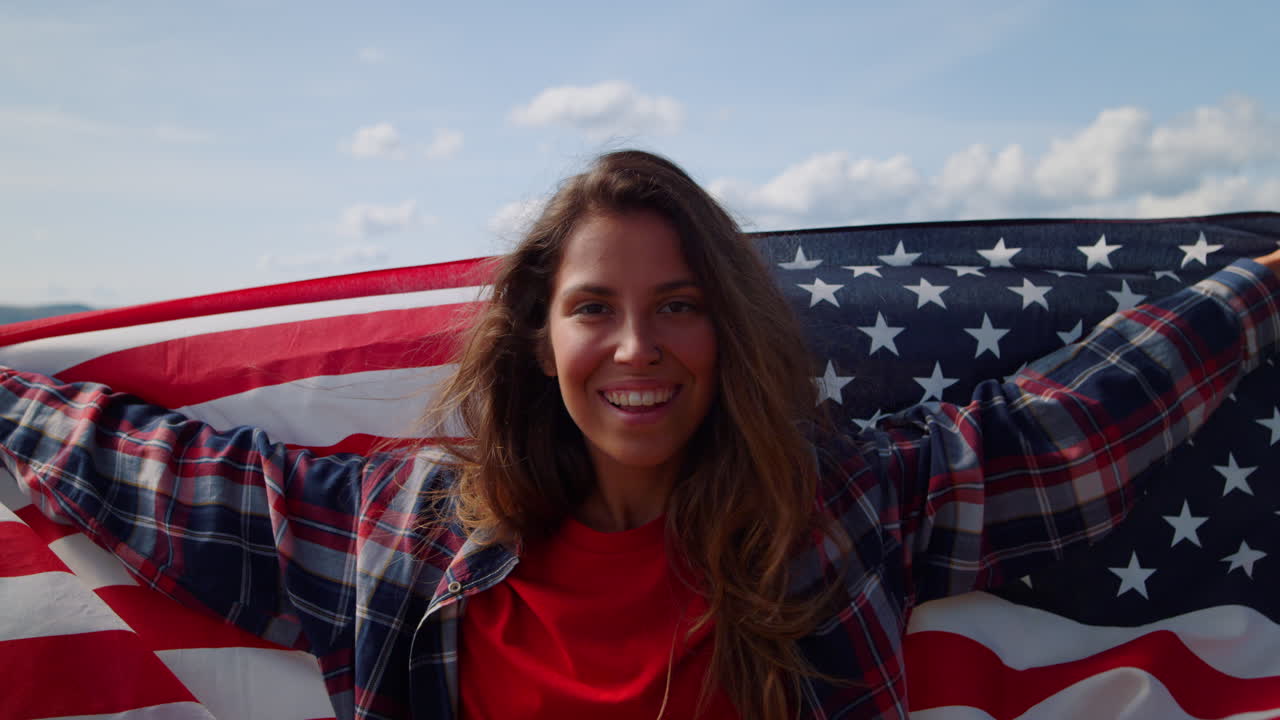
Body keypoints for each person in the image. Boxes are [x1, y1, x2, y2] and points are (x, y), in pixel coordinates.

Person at [1, 150, 1278, 720]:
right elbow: (158, 475)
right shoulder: (402, 540)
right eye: (593, 309)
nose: (635, 347)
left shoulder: (834, 510)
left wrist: (1255, 285)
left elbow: (1065, 428)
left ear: (725, 330)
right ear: (536, 339)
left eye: (677, 307)